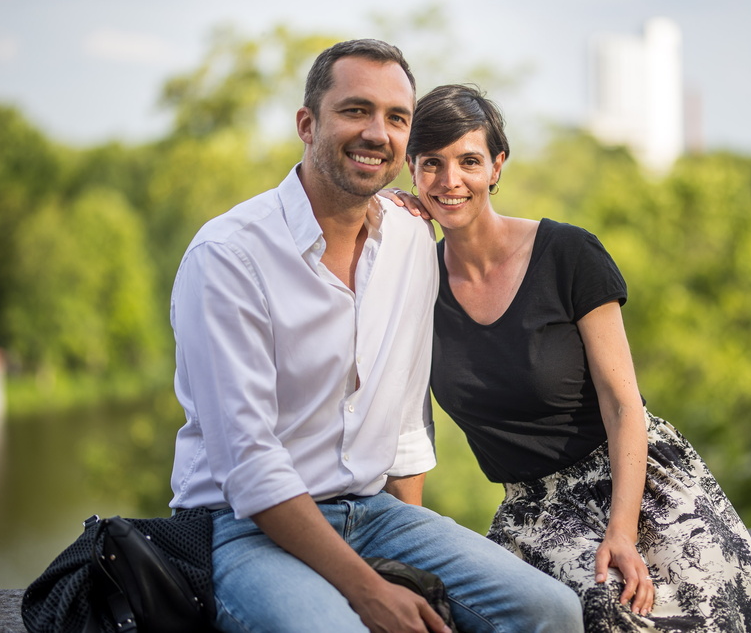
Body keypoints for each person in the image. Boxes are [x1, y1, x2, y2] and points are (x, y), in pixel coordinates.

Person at [168, 41, 584, 633]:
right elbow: (250, 468)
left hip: (374, 514)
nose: (376, 133)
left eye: (396, 118)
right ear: (307, 124)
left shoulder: (412, 240)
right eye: (355, 110)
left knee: (551, 611)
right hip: (245, 526)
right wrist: (371, 591)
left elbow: (405, 420)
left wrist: (408, 570)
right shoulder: (229, 256)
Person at [388, 84, 751, 633]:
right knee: (606, 612)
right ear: (410, 170)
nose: (450, 180)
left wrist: (622, 531)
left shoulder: (568, 254)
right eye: (431, 163)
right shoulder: (414, 283)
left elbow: (624, 403)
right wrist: (388, 226)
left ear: (496, 166)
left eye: (469, 160)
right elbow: (407, 426)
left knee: (718, 616)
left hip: (640, 482)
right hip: (536, 513)